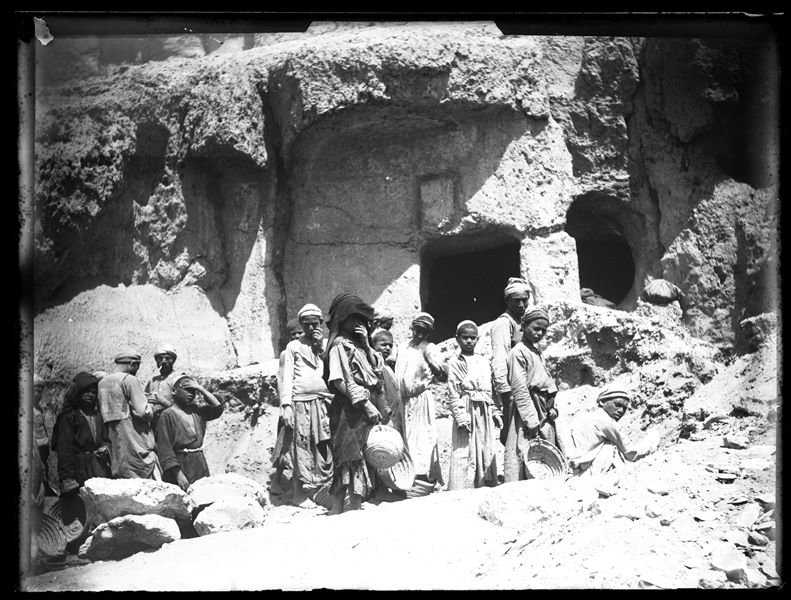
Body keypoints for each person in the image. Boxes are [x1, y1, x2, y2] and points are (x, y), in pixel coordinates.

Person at [323, 293, 389, 514]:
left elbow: (376, 371)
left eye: (361, 319)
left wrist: (367, 343)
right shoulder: (339, 346)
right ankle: (339, 507)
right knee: (347, 455)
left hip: (362, 406)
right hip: (348, 408)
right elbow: (339, 380)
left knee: (360, 453)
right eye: (353, 318)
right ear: (342, 319)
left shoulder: (360, 346)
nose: (357, 323)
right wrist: (364, 404)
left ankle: (356, 505)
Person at [278, 303, 334, 507]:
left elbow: (331, 369)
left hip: (324, 402)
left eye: (315, 324)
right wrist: (286, 406)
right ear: (301, 324)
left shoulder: (326, 344)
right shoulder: (293, 347)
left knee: (324, 445)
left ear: (321, 324)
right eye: (307, 325)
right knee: (300, 447)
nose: (311, 328)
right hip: (300, 402)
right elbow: (288, 377)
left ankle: (323, 489)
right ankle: (298, 495)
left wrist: (320, 347)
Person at [504, 308, 559, 482]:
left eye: (544, 330)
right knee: (524, 449)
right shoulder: (518, 352)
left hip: (543, 409)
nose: (540, 333)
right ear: (524, 325)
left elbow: (547, 382)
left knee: (545, 453)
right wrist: (531, 419)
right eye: (536, 328)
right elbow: (519, 387)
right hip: (528, 410)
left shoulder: (537, 353)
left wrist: (552, 407)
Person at [447, 321, 503, 490]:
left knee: (485, 446)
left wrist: (494, 411)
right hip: (467, 406)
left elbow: (489, 390)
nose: (469, 341)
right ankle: (461, 487)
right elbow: (453, 392)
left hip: (483, 409)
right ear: (457, 339)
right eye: (465, 338)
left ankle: (484, 482)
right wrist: (461, 416)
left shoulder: (483, 360)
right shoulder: (455, 361)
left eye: (473, 338)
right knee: (465, 448)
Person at [394, 312, 445, 489]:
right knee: (405, 438)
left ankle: (422, 477)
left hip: (420, 400)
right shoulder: (402, 347)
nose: (419, 335)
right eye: (417, 330)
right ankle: (406, 475)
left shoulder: (429, 348)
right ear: (412, 328)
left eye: (424, 332)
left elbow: (443, 375)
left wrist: (433, 363)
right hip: (402, 401)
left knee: (422, 439)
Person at [566, 386, 659, 477]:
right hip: (586, 474)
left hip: (571, 470)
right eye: (617, 405)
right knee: (611, 446)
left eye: (624, 408)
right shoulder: (605, 421)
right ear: (602, 402)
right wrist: (652, 440)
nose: (621, 410)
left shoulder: (584, 416)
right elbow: (631, 454)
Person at [98, 349, 161, 480]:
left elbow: (121, 406)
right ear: (133, 364)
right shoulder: (129, 379)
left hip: (116, 438)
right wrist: (152, 401)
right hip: (134, 437)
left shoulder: (103, 383)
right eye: (137, 366)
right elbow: (144, 412)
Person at [155, 375, 224, 490]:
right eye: (187, 389)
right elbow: (165, 448)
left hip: (199, 463)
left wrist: (200, 388)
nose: (191, 393)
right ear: (174, 391)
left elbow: (217, 408)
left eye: (193, 390)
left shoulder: (197, 411)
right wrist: (178, 475)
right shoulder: (167, 415)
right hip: (180, 465)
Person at [51, 372, 111, 494]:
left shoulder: (97, 416)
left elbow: (106, 438)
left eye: (94, 392)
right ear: (77, 393)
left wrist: (105, 448)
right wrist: (67, 477)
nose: (91, 395)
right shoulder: (69, 417)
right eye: (86, 391)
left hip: (98, 466)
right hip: (79, 468)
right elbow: (64, 448)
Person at [490, 277, 532, 445]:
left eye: (524, 300)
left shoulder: (521, 322)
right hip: (512, 388)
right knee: (511, 434)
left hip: (524, 384)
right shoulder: (503, 323)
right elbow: (499, 358)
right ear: (507, 300)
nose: (521, 305)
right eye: (516, 301)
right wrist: (505, 392)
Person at [271, 317, 303, 495]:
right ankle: (276, 480)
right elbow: (282, 379)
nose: (297, 336)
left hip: (305, 402)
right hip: (290, 403)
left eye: (300, 332)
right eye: (293, 334)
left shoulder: (310, 349)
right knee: (285, 443)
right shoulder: (285, 354)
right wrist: (285, 405)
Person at [144, 344, 185, 431]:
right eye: (160, 358)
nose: (163, 361)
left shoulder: (178, 378)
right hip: (154, 425)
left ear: (173, 360)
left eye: (167, 358)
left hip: (173, 425)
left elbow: (183, 407)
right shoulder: (153, 380)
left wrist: (161, 400)